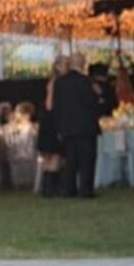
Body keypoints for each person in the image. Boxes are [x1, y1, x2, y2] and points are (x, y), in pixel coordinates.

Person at [51, 51, 101, 198]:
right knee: (87, 160)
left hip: (67, 128)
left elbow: (56, 107)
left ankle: (69, 189)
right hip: (86, 127)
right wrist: (97, 95)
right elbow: (92, 104)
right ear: (83, 64)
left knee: (71, 160)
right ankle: (85, 190)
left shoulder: (60, 83)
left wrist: (58, 127)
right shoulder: (87, 82)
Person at [37, 60, 65, 197]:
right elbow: (50, 105)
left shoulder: (53, 81)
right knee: (54, 154)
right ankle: (51, 188)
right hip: (52, 121)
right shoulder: (55, 82)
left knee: (49, 155)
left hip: (48, 120)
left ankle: (47, 187)